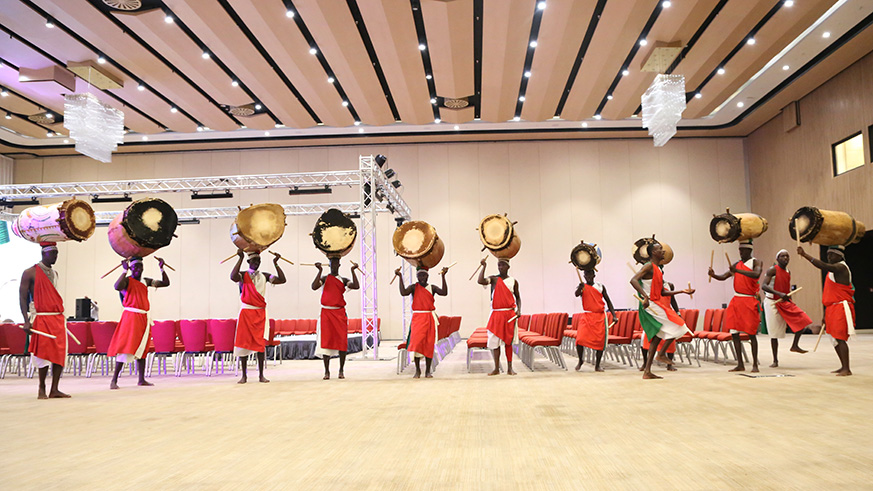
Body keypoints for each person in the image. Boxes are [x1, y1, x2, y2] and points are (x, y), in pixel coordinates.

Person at [631, 242, 694, 380]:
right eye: (660, 249)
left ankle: (647, 371)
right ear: (653, 253)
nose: (663, 251)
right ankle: (661, 354)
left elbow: (662, 293)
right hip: (650, 305)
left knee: (657, 337)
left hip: (655, 302)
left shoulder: (658, 269)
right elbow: (633, 280)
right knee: (679, 325)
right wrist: (645, 296)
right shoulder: (648, 266)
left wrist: (681, 291)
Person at [108, 256, 170, 389]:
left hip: (143, 317)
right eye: (135, 267)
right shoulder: (126, 281)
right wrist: (124, 271)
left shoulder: (146, 281)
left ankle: (141, 379)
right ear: (131, 268)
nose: (138, 269)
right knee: (126, 347)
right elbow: (116, 286)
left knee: (142, 348)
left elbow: (165, 283)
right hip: (130, 317)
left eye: (140, 267)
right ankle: (114, 380)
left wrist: (162, 268)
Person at [19, 242, 70, 399]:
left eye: (57, 253)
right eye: (53, 253)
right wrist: (26, 320)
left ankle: (55, 389)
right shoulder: (30, 272)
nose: (56, 256)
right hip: (41, 317)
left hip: (57, 317)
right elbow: (22, 297)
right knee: (42, 354)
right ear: (44, 253)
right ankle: (41, 387)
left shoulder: (55, 274)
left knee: (60, 353)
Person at [797, 244, 854, 376]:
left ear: (840, 255)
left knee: (840, 338)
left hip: (840, 306)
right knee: (833, 338)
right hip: (831, 307)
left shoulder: (841, 267)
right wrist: (825, 314)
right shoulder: (832, 272)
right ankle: (842, 366)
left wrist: (805, 255)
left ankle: (847, 368)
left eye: (831, 254)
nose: (829, 257)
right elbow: (829, 293)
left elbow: (824, 266)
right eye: (827, 254)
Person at [230, 250, 286, 384]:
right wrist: (240, 258)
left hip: (260, 313)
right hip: (246, 313)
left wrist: (276, 264)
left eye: (258, 261)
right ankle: (244, 375)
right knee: (243, 344)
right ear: (249, 262)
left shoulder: (265, 276)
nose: (256, 263)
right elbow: (233, 276)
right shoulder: (243, 275)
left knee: (260, 344)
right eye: (254, 261)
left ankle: (261, 375)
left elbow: (282, 280)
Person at [708, 240, 762, 373]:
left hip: (749, 300)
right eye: (739, 250)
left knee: (751, 333)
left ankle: (755, 364)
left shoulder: (756, 262)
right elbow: (724, 277)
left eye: (743, 250)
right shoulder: (737, 264)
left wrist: (737, 270)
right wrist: (713, 275)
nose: (741, 252)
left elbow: (756, 274)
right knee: (734, 333)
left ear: (749, 250)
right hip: (736, 301)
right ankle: (740, 364)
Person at [761, 249, 817, 367]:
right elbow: (764, 286)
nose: (785, 258)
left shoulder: (788, 271)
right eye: (782, 256)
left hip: (784, 301)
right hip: (772, 302)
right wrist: (779, 293)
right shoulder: (772, 270)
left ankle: (795, 345)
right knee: (774, 333)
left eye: (787, 256)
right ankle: (775, 360)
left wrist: (786, 297)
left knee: (803, 319)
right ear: (777, 258)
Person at [394, 265, 448, 378]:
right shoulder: (414, 287)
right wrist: (400, 277)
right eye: (419, 275)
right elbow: (403, 292)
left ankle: (428, 371)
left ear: (428, 276)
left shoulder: (432, 288)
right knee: (417, 344)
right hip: (418, 319)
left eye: (424, 275)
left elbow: (444, 292)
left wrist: (443, 276)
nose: (422, 277)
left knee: (429, 344)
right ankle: (417, 370)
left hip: (429, 318)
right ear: (416, 276)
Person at [312, 257, 359, 380]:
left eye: (336, 264)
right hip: (326, 313)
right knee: (326, 341)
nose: (334, 266)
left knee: (342, 341)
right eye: (331, 264)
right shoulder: (325, 278)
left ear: (339, 265)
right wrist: (319, 271)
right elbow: (314, 286)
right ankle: (327, 371)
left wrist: (353, 271)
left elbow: (356, 286)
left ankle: (341, 370)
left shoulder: (343, 280)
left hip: (339, 314)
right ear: (329, 265)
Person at [477, 257, 521, 376]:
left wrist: (519, 310)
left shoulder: (513, 281)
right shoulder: (493, 279)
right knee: (494, 341)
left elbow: (518, 297)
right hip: (496, 313)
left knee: (508, 341)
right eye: (499, 265)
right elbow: (480, 281)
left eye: (502, 265)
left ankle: (510, 368)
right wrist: (483, 266)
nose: (500, 267)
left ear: (508, 267)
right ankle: (496, 368)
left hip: (509, 314)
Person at [574, 269, 617, 372]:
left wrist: (614, 315)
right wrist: (580, 288)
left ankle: (597, 365)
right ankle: (580, 360)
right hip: (587, 316)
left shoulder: (600, 286)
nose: (588, 276)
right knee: (579, 339)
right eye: (586, 274)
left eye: (590, 274)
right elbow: (576, 294)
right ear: (584, 276)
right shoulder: (582, 286)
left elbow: (608, 302)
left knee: (600, 342)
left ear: (594, 275)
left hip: (600, 317)